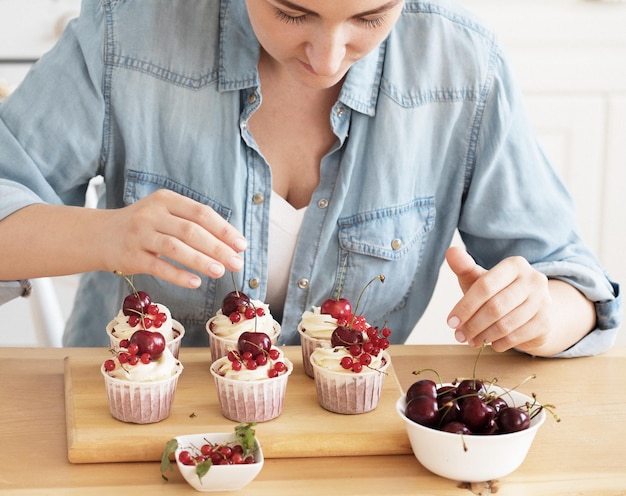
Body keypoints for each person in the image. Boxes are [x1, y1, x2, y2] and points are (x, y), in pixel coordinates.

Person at [0, 0, 621, 357]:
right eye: (292, 12)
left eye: (370, 17)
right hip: (133, 440)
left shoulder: (462, 68)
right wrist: (104, 235)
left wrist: (540, 314)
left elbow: (573, 281)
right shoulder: (123, 36)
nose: (326, 58)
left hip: (353, 451)